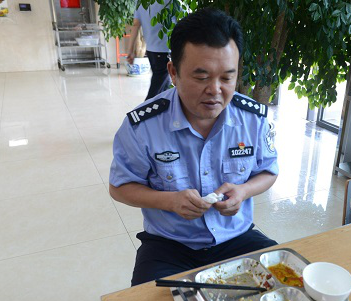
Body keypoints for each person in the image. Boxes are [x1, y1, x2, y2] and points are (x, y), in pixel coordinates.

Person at [110, 8, 279, 286]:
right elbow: (119, 186)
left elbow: (269, 171)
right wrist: (170, 201)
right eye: (201, 77)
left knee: (283, 289)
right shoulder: (142, 126)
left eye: (227, 78)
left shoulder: (254, 119)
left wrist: (244, 191)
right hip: (169, 245)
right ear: (173, 72)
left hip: (236, 237)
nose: (215, 90)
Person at [126, 1, 173, 100]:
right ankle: (145, 112)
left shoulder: (140, 2)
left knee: (165, 85)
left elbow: (136, 25)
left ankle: (162, 112)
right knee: (157, 89)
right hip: (165, 49)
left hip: (152, 50)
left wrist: (130, 50)